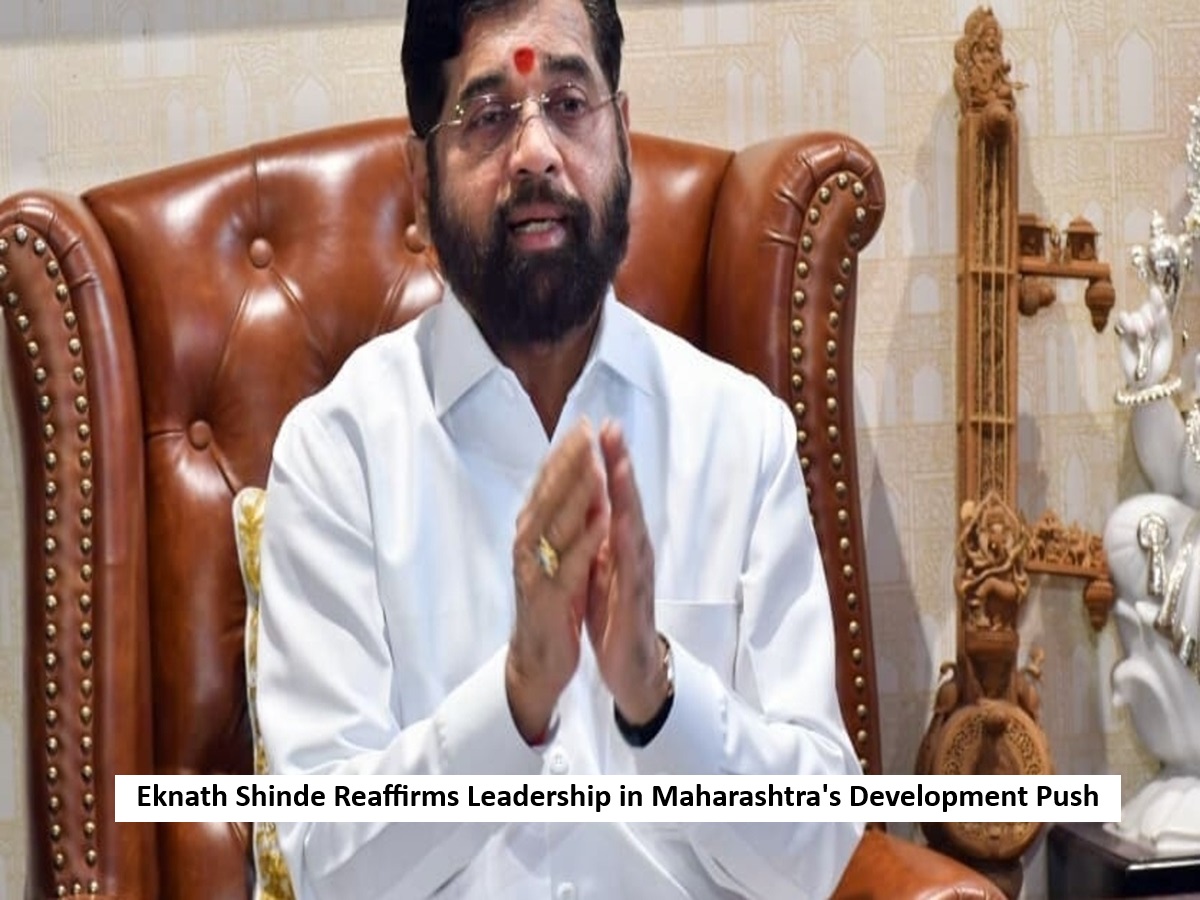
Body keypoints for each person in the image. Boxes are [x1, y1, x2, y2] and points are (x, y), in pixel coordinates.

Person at [256, 0, 863, 896]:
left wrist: (659, 696)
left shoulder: (740, 435)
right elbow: (326, 868)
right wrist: (514, 700)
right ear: (421, 179)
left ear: (622, 136)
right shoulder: (336, 456)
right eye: (487, 116)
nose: (536, 152)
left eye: (569, 105)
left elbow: (819, 853)